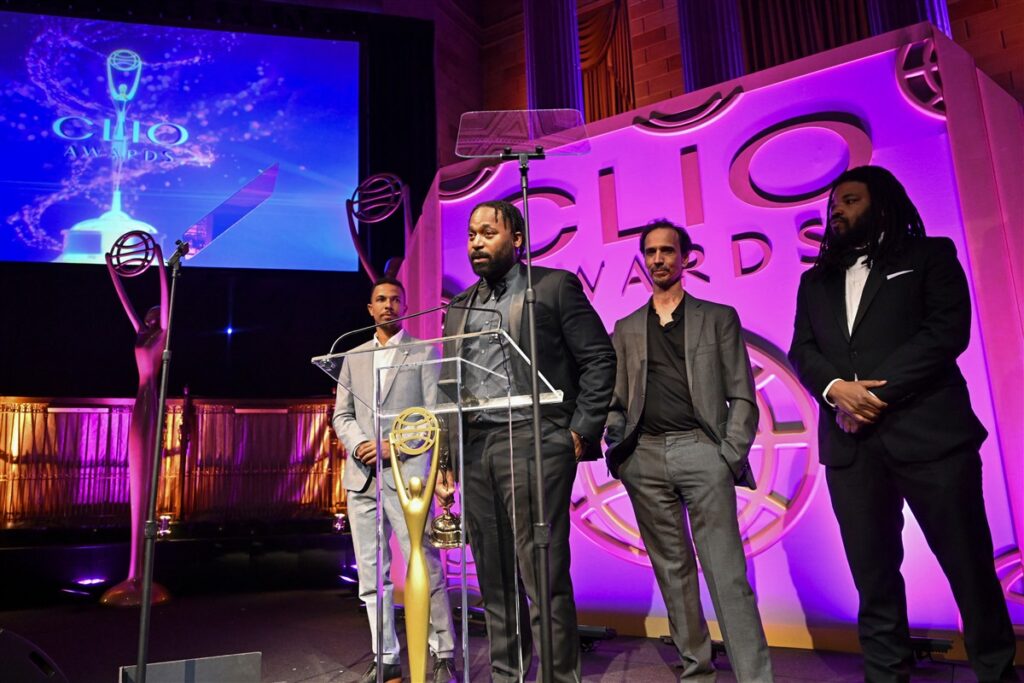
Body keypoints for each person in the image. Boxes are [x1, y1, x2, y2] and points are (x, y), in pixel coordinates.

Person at [788, 165, 1018, 683]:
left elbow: (945, 333)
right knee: (874, 580)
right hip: (851, 451)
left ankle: (997, 673)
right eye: (833, 205)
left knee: (969, 570)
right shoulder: (814, 280)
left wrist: (870, 397)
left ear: (882, 204)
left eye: (849, 200)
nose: (837, 211)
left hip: (932, 440)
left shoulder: (929, 256)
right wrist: (835, 390)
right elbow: (802, 350)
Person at [437, 200, 616, 682]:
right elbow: (449, 384)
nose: (476, 242)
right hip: (476, 447)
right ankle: (508, 675)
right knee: (493, 579)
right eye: (471, 234)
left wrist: (579, 431)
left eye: (488, 233)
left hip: (535, 439)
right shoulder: (459, 307)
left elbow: (599, 359)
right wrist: (448, 457)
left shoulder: (552, 288)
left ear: (517, 239)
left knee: (543, 571)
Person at [604, 220, 773, 682]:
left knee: (726, 573)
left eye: (667, 251)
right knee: (673, 575)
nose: (658, 259)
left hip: (703, 452)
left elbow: (742, 395)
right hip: (645, 457)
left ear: (685, 257)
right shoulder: (625, 328)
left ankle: (755, 677)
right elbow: (615, 402)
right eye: (651, 252)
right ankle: (697, 671)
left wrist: (728, 456)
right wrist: (620, 452)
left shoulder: (718, 317)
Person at [333, 277, 458, 683]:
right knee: (372, 576)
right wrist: (360, 445)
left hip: (409, 478)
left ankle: (443, 653)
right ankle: (385, 656)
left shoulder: (423, 352)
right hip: (362, 479)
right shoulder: (353, 356)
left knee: (424, 564)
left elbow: (432, 416)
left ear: (405, 306)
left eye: (395, 299)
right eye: (381, 299)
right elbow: (341, 415)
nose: (388, 305)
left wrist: (395, 445)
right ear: (370, 308)